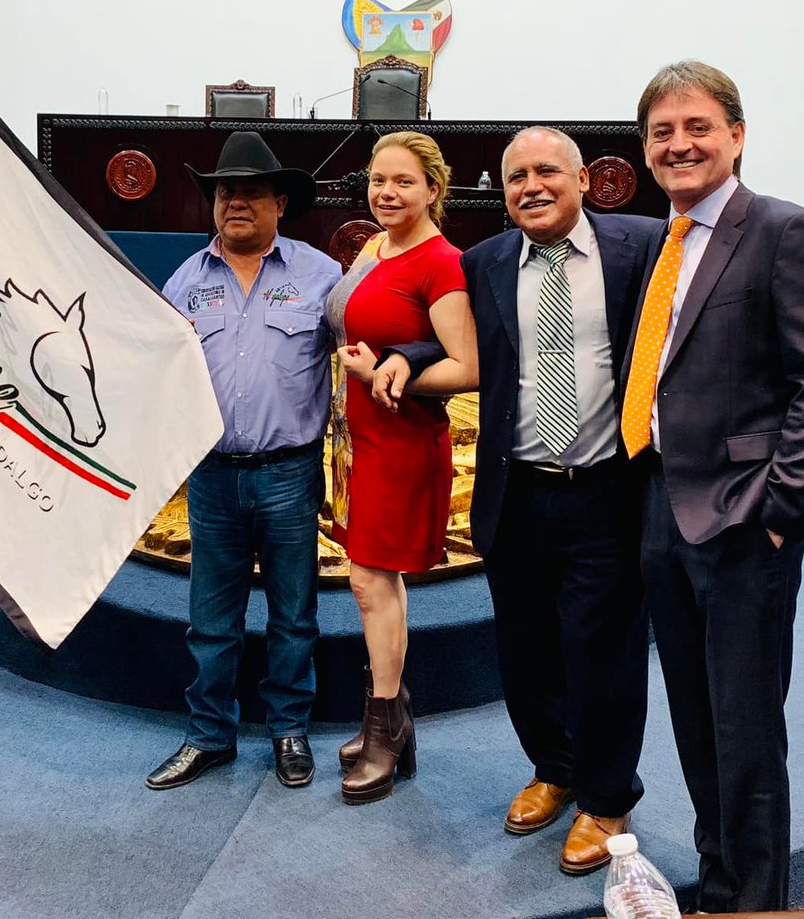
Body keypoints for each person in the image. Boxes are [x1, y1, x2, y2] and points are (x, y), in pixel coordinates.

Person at [375, 126, 659, 875]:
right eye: (515, 177)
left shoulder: (642, 247)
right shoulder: (487, 261)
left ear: (583, 180)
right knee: (525, 650)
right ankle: (554, 770)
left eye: (546, 172)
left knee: (604, 654)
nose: (531, 187)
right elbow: (458, 345)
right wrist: (406, 355)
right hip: (518, 491)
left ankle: (607, 797)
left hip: (606, 489)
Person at [623, 62, 804, 912]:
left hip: (744, 520)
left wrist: (778, 514)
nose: (679, 144)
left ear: (737, 134)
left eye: (697, 127)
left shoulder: (784, 231)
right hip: (661, 504)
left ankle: (757, 902)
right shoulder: (661, 242)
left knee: (746, 730)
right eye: (662, 132)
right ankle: (718, 885)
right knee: (694, 719)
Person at [145, 131, 342, 792]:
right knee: (211, 619)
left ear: (280, 203)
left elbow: (363, 347)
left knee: (293, 614)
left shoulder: (321, 276)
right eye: (225, 191)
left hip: (289, 473)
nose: (235, 202)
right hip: (212, 476)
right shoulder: (185, 281)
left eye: (251, 192)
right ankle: (209, 735)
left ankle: (289, 729)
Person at [329, 131, 476, 805]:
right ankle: (391, 720)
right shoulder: (375, 247)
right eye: (378, 180)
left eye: (403, 182)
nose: (387, 193)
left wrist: (392, 371)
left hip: (402, 442)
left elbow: (468, 367)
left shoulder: (442, 262)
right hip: (358, 440)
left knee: (368, 582)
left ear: (433, 190)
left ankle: (386, 728)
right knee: (374, 579)